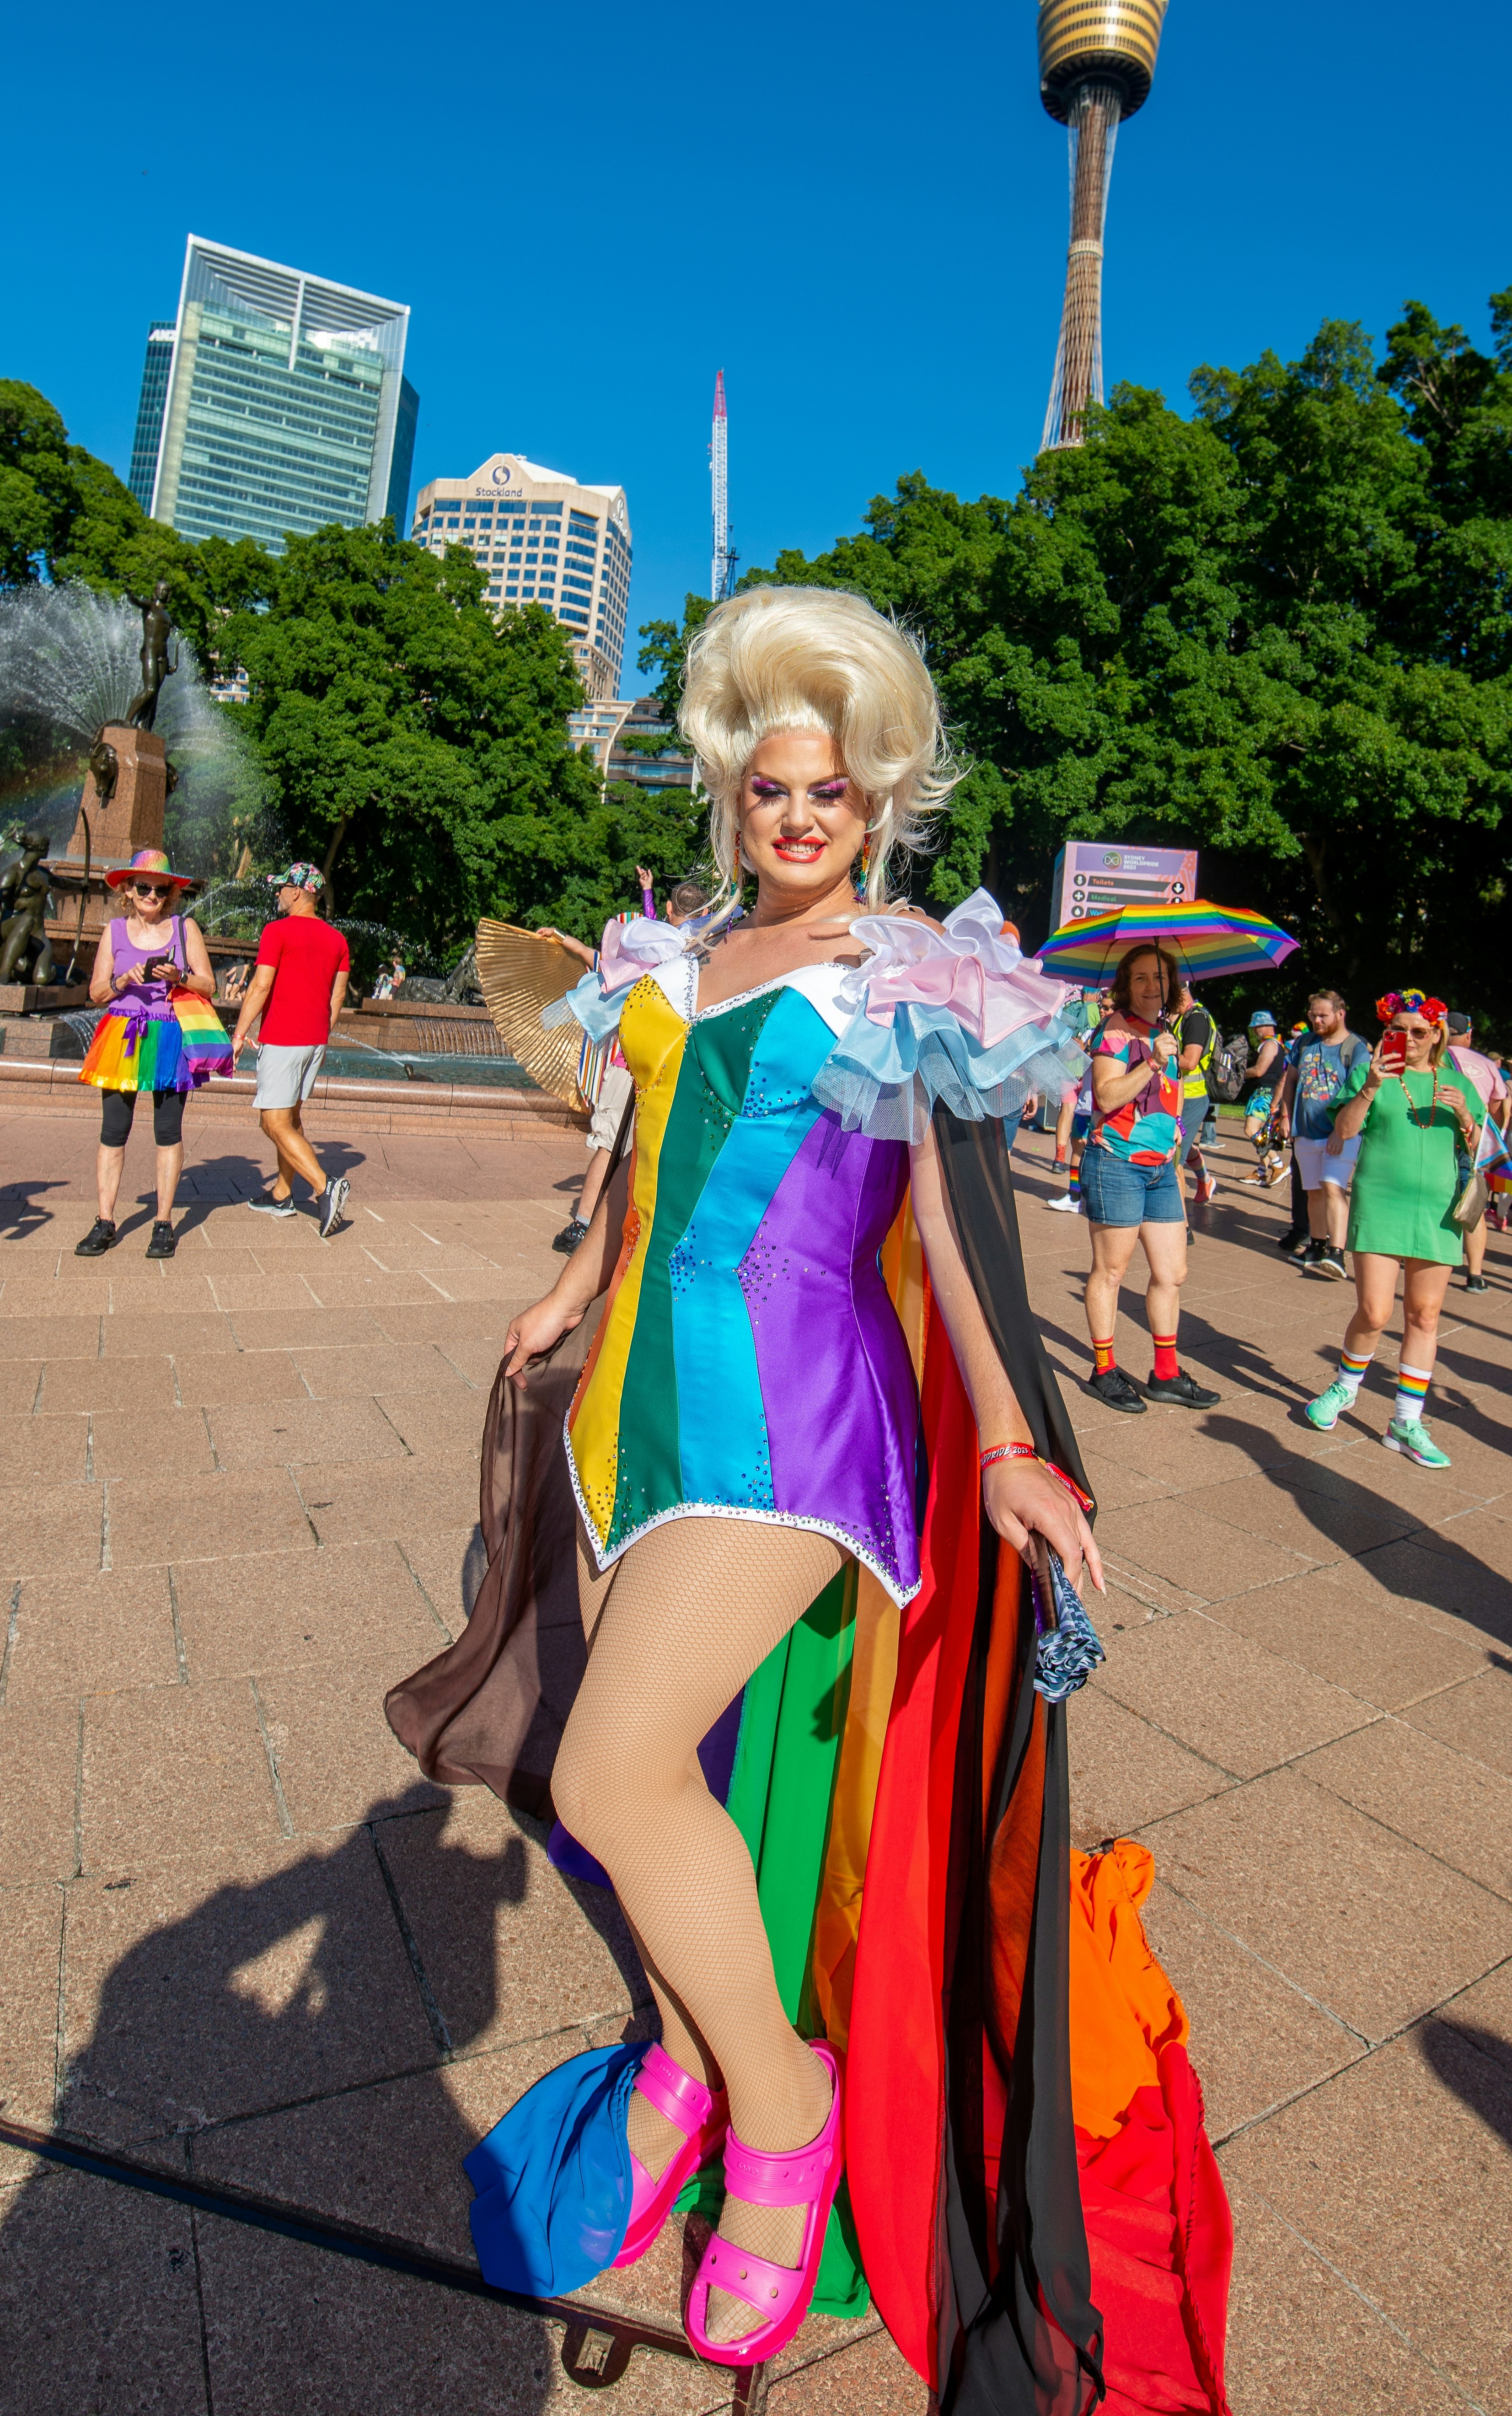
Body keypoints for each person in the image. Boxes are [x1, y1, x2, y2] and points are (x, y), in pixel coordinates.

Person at [386, 587, 1233, 2390]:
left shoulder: (909, 973)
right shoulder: (668, 959)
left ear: (878, 806)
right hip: (630, 1415)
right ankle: (691, 2052)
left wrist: (1006, 1435)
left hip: (796, 1415)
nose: (798, 818)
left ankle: (777, 2103)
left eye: (831, 795)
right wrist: (563, 1290)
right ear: (732, 792)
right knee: (638, 1778)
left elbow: (945, 1219)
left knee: (613, 1767)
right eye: (773, 789)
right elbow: (636, 1172)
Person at [1302, 992, 1479, 1468]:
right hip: (1380, 1204)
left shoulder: (1458, 1081)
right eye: (1399, 1032)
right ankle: (1344, 1388)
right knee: (1375, 1312)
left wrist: (1465, 1115)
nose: (1411, 1040)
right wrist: (1369, 1088)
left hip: (1438, 1213)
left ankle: (1406, 1421)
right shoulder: (1370, 1073)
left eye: (1421, 1032)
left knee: (1424, 1315)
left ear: (1438, 1034)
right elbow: (1341, 1131)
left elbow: (1479, 1145)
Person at [1078, 942, 1222, 1414]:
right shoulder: (1115, 1032)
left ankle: (1165, 1374)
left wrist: (1177, 1167)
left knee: (1172, 1273)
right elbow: (1106, 1093)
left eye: (1158, 978)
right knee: (1112, 1271)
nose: (1150, 986)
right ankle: (1103, 1370)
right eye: (1140, 977)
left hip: (1162, 1170)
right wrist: (1153, 1064)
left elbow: (1169, 1112)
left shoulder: (1165, 1032)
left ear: (1171, 985)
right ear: (1125, 983)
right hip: (1117, 1164)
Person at [542, 877, 715, 1253]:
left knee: (608, 1144)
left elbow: (601, 966)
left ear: (669, 910)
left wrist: (561, 937)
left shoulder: (650, 947)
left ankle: (583, 1226)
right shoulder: (707, 956)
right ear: (705, 914)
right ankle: (638, 1230)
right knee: (652, 1149)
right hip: (679, 1068)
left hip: (628, 1062)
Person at [74, 848, 230, 1261]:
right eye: (144, 887)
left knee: (168, 1130)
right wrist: (123, 979)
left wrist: (181, 977)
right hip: (122, 1034)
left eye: (161, 890)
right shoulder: (114, 931)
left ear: (171, 895)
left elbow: (210, 986)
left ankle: (163, 1224)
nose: (152, 896)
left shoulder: (185, 928)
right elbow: (96, 993)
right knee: (114, 1130)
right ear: (128, 890)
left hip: (170, 1036)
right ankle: (105, 1221)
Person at [229, 861, 353, 1236]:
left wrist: (239, 1034)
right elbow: (339, 995)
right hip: (315, 1039)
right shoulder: (338, 940)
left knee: (273, 1121)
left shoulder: (277, 931)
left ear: (298, 893)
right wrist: (319, 1032)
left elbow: (260, 987)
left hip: (284, 1037)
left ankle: (323, 1185)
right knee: (291, 1118)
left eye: (283, 887)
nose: (278, 893)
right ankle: (282, 1194)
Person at [1273, 990, 1370, 1279]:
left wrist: (1343, 1130)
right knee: (1313, 1191)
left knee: (1333, 1188)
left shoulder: (1356, 1048)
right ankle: (1316, 1245)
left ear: (1341, 1014)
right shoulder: (1304, 1043)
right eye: (1313, 1015)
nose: (1316, 1020)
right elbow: (1291, 1080)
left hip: (1340, 1133)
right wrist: (1286, 1115)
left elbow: (1359, 1093)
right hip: (1306, 1130)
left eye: (1323, 1015)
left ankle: (1337, 1252)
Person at [1444, 1010, 1507, 1296]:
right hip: (1474, 1139)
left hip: (1440, 1138)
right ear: (1468, 1034)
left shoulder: (1434, 1060)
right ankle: (1475, 1275)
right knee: (1474, 1205)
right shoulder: (1486, 1064)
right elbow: (1498, 1107)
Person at [1044, 985, 1108, 1213]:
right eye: (1103, 1006)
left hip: (1101, 1102)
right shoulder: (1099, 1028)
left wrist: (1089, 1052)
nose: (1103, 1010)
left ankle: (1094, 1198)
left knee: (1097, 1150)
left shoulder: (1114, 1033)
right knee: (1078, 1144)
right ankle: (1074, 1196)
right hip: (1085, 1100)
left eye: (1109, 1007)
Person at [1170, 977, 1221, 1206]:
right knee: (1185, 1145)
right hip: (1180, 1096)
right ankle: (1205, 1179)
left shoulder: (1197, 1018)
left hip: (1192, 1097)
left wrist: (1158, 1056)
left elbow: (1190, 1062)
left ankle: (1182, 1226)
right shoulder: (1182, 1017)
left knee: (1174, 1161)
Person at [1240, 1009, 1286, 1184]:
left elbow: (1259, 1070)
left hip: (1264, 1094)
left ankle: (1278, 1164)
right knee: (1263, 1135)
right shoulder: (1278, 1044)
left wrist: (1240, 1073)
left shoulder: (1270, 1045)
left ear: (1267, 1026)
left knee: (1251, 1130)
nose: (1255, 1031)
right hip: (1271, 1094)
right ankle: (1261, 1172)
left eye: (1257, 1027)